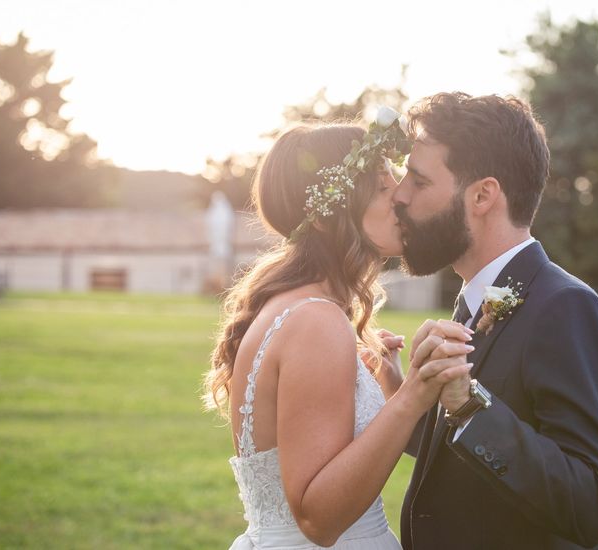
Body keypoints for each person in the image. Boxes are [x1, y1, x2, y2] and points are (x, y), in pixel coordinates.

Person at [202, 110, 472, 549]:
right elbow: (319, 519)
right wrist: (410, 398)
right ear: (329, 217)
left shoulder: (298, 308)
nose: (401, 197)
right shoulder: (315, 320)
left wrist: (387, 382)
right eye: (384, 188)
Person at [394, 92, 598, 549]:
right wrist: (402, 392)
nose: (400, 195)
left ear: (482, 195)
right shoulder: (476, 300)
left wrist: (468, 404)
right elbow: (470, 456)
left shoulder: (566, 308)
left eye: (418, 182)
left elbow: (593, 501)